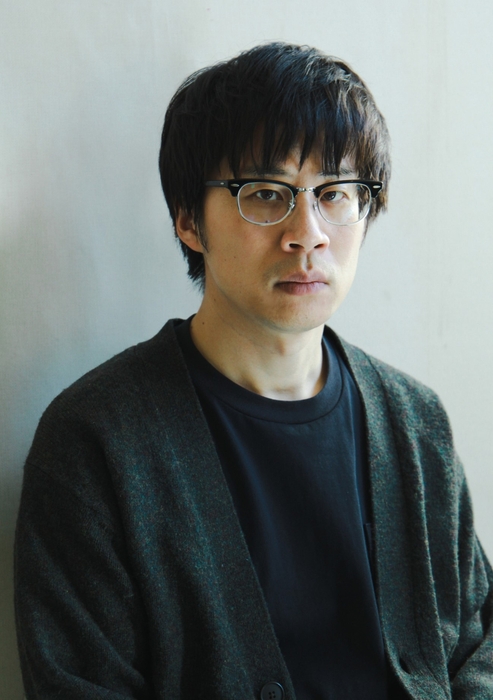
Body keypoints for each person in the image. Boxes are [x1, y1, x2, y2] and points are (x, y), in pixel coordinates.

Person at [14, 42, 493, 700]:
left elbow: (477, 644)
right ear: (189, 221)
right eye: (265, 194)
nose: (307, 233)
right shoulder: (95, 444)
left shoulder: (415, 424)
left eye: (335, 193)